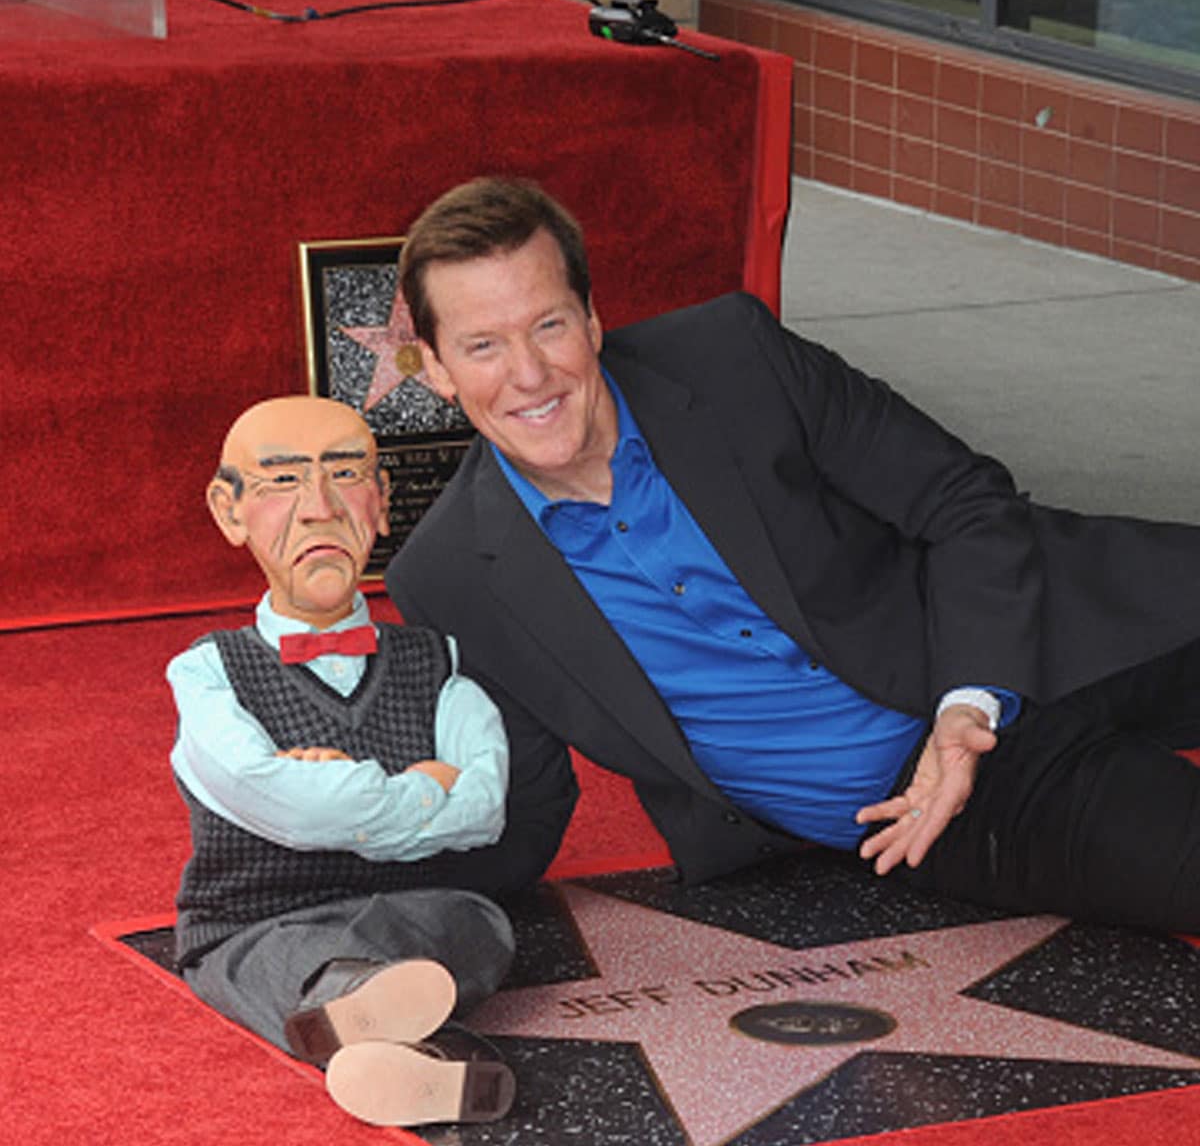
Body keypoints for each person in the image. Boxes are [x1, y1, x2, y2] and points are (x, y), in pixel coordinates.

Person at [386, 176, 1200, 936]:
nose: (529, 374)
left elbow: (965, 501)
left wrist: (969, 700)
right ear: (438, 372)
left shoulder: (732, 357)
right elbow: (521, 795)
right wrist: (352, 880)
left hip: (1041, 614)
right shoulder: (449, 575)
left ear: (593, 319)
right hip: (938, 802)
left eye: (549, 325)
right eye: (484, 345)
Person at [167, 395, 567, 1126]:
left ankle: (360, 1024)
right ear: (229, 512)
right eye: (283, 482)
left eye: (345, 474)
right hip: (259, 921)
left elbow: (482, 809)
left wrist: (330, 785)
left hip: (415, 907)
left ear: (381, 502)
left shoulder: (435, 657)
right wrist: (420, 788)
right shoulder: (208, 673)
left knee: (481, 923)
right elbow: (286, 804)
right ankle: (425, 1049)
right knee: (275, 963)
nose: (319, 507)